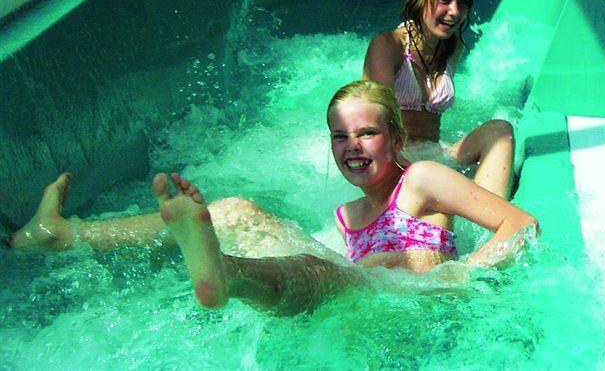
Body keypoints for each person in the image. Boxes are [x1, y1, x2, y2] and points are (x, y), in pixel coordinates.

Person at [19, 81, 540, 316]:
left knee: (322, 273)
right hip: (366, 296)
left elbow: (520, 225)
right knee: (236, 211)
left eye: (367, 134)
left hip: (418, 304)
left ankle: (228, 275)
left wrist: (462, 276)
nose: (352, 147)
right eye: (340, 137)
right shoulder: (349, 216)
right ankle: (65, 234)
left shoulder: (422, 178)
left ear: (397, 139)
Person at [363, 0, 514, 198]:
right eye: (444, 0)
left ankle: (489, 212)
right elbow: (372, 122)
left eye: (462, 3)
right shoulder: (388, 46)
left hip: (433, 155)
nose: (454, 12)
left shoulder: (453, 47)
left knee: (500, 130)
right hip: (393, 159)